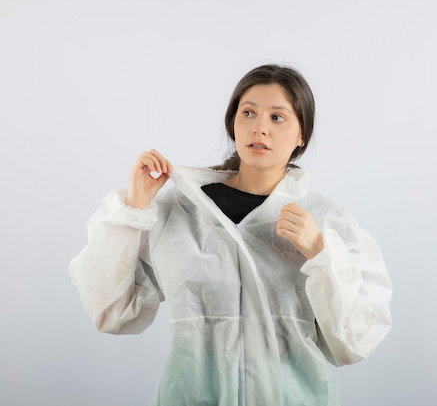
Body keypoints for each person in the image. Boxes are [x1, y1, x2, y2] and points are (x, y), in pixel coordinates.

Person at [69, 64, 393, 406]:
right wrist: (133, 208)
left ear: (302, 135)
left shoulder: (326, 223)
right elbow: (111, 312)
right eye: (248, 113)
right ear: (233, 124)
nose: (260, 128)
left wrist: (322, 256)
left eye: (277, 117)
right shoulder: (177, 212)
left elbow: (356, 341)